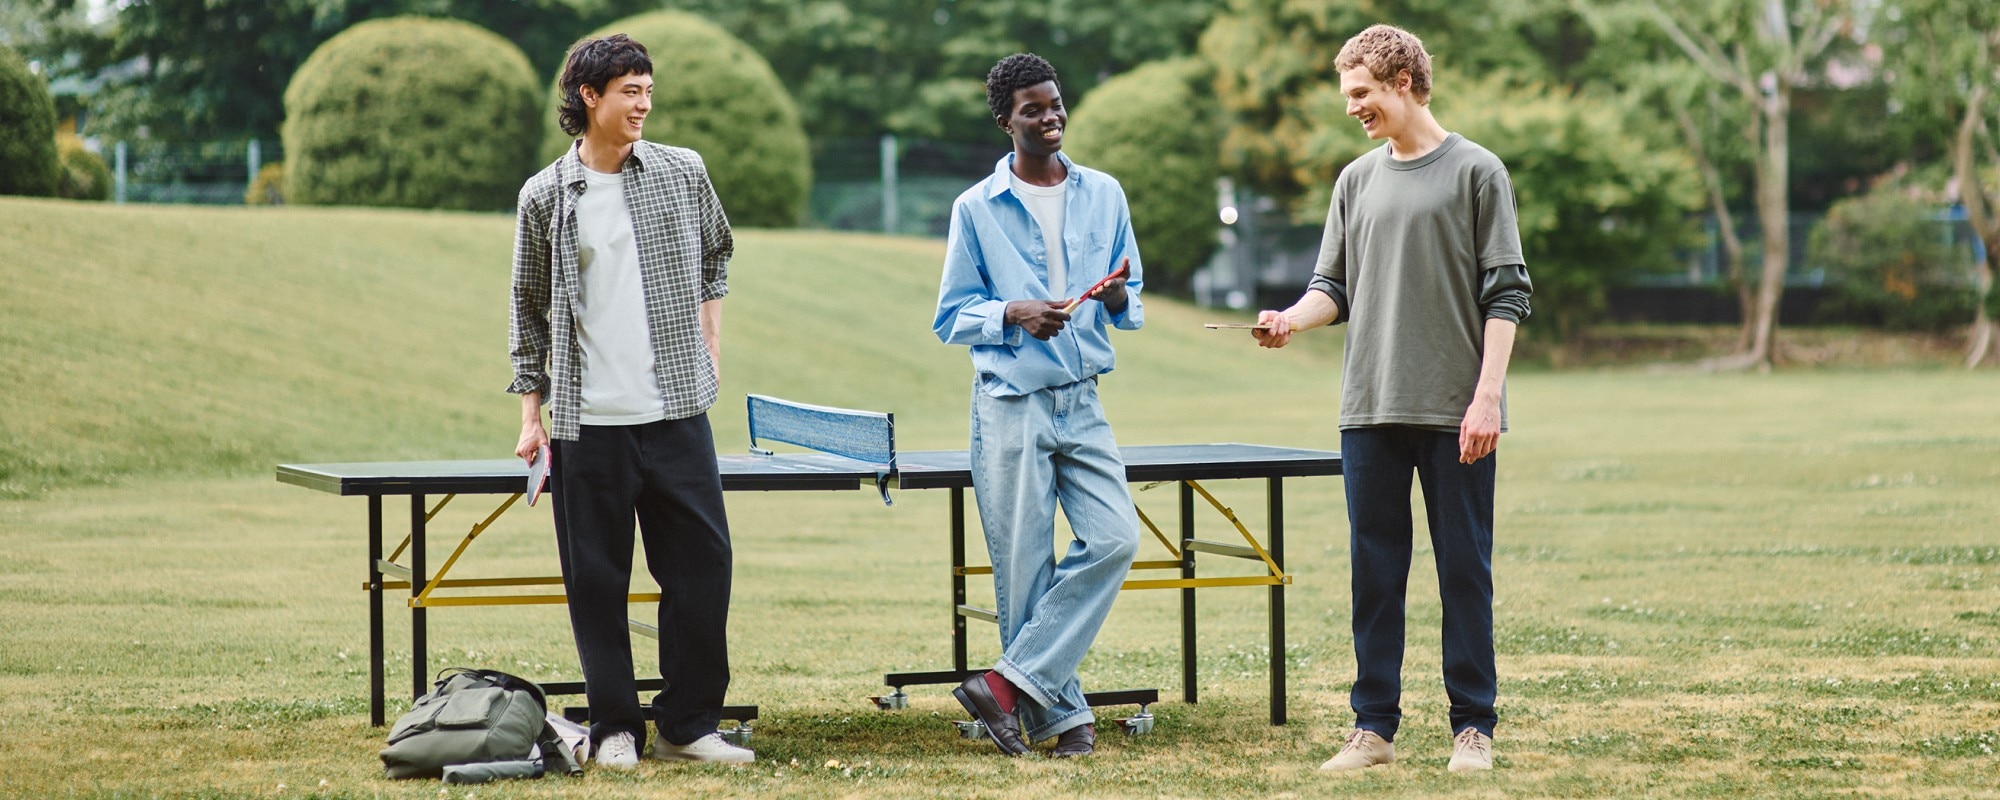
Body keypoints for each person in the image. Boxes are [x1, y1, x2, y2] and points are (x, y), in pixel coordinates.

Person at [1248, 24, 1531, 774]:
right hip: (1368, 408)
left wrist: (1488, 397)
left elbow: (1506, 294)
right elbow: (1331, 289)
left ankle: (1474, 728)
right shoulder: (1355, 180)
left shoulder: (1478, 172)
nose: (1353, 108)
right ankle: (1372, 729)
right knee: (1375, 575)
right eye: (1350, 94)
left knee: (1463, 570)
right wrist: (1289, 320)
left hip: (1454, 411)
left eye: (1362, 93)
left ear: (1403, 80)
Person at [508, 33, 750, 769]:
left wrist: (710, 345)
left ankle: (687, 724)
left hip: (677, 413)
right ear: (590, 97)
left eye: (648, 90)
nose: (645, 104)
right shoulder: (545, 195)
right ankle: (615, 727)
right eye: (631, 91)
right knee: (597, 582)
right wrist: (529, 416)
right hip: (589, 426)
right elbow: (528, 308)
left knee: (704, 567)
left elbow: (718, 251)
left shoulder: (682, 171)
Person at [932, 52, 1144, 759]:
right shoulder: (974, 209)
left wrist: (1116, 296)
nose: (1050, 116)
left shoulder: (1105, 193)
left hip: (1083, 402)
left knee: (1116, 539)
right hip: (1010, 405)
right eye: (1033, 108)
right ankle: (1062, 719)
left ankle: (1003, 685)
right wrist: (1014, 313)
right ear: (1005, 121)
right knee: (1024, 569)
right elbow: (951, 317)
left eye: (1055, 103)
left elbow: (1128, 293)